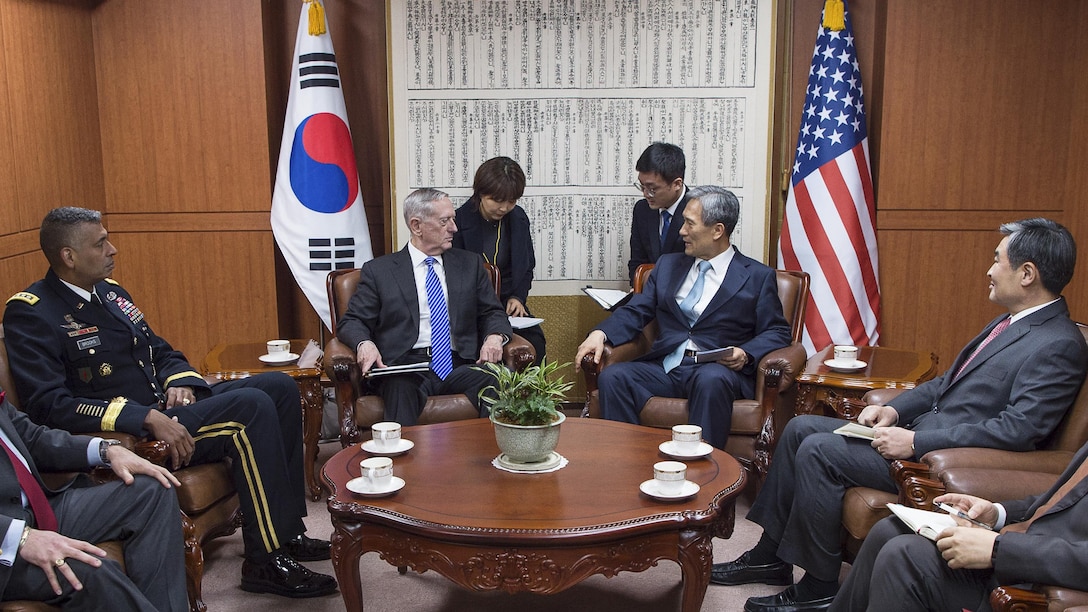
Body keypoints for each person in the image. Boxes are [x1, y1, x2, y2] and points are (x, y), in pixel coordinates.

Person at [713, 218, 1088, 612]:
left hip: (936, 459)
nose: (990, 270)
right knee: (800, 428)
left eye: (998, 261)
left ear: (1027, 273)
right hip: (916, 435)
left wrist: (916, 441)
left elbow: (1018, 430)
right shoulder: (1010, 322)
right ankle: (769, 556)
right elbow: (946, 384)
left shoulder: (1058, 343)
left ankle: (818, 587)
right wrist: (893, 408)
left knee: (820, 451)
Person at [2, 207, 336, 599]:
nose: (113, 249)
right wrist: (143, 416)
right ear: (68, 256)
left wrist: (184, 382)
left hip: (166, 408)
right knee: (249, 409)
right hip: (132, 430)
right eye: (100, 243)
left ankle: (287, 530)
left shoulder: (111, 292)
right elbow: (48, 406)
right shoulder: (32, 312)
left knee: (278, 387)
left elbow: (159, 351)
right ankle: (266, 560)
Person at [576, 185, 792, 450]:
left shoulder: (756, 277)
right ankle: (628, 466)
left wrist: (745, 353)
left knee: (711, 379)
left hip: (716, 370)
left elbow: (778, 331)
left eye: (690, 224)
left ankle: (703, 475)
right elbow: (638, 309)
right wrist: (601, 333)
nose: (681, 231)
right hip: (666, 366)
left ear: (717, 230)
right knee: (615, 377)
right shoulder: (668, 266)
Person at [831, 441, 1088, 611]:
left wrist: (999, 549)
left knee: (905, 556)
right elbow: (1060, 502)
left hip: (1038, 579)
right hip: (1019, 547)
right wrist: (997, 513)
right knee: (892, 528)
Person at [337, 187, 513, 425]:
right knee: (398, 387)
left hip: (459, 363)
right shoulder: (380, 271)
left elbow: (492, 312)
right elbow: (353, 321)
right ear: (416, 226)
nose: (454, 228)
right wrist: (364, 344)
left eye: (453, 219)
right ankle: (400, 462)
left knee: (496, 379)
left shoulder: (469, 265)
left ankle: (488, 457)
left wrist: (494, 337)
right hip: (404, 367)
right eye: (444, 221)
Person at [0, 387, 187, 611]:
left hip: (31, 508)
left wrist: (106, 450)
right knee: (91, 568)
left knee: (152, 490)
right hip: (7, 537)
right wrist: (19, 536)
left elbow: (31, 437)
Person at [453, 156, 546, 363]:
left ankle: (531, 397)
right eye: (497, 200)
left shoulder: (518, 219)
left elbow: (527, 265)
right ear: (480, 193)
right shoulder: (458, 222)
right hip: (473, 309)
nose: (504, 208)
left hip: (507, 305)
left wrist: (517, 297)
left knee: (535, 342)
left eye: (511, 201)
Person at [628, 142, 690, 285]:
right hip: (648, 297)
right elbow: (637, 262)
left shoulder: (698, 211)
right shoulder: (642, 210)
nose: (645, 194)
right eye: (642, 186)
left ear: (677, 184)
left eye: (652, 188)